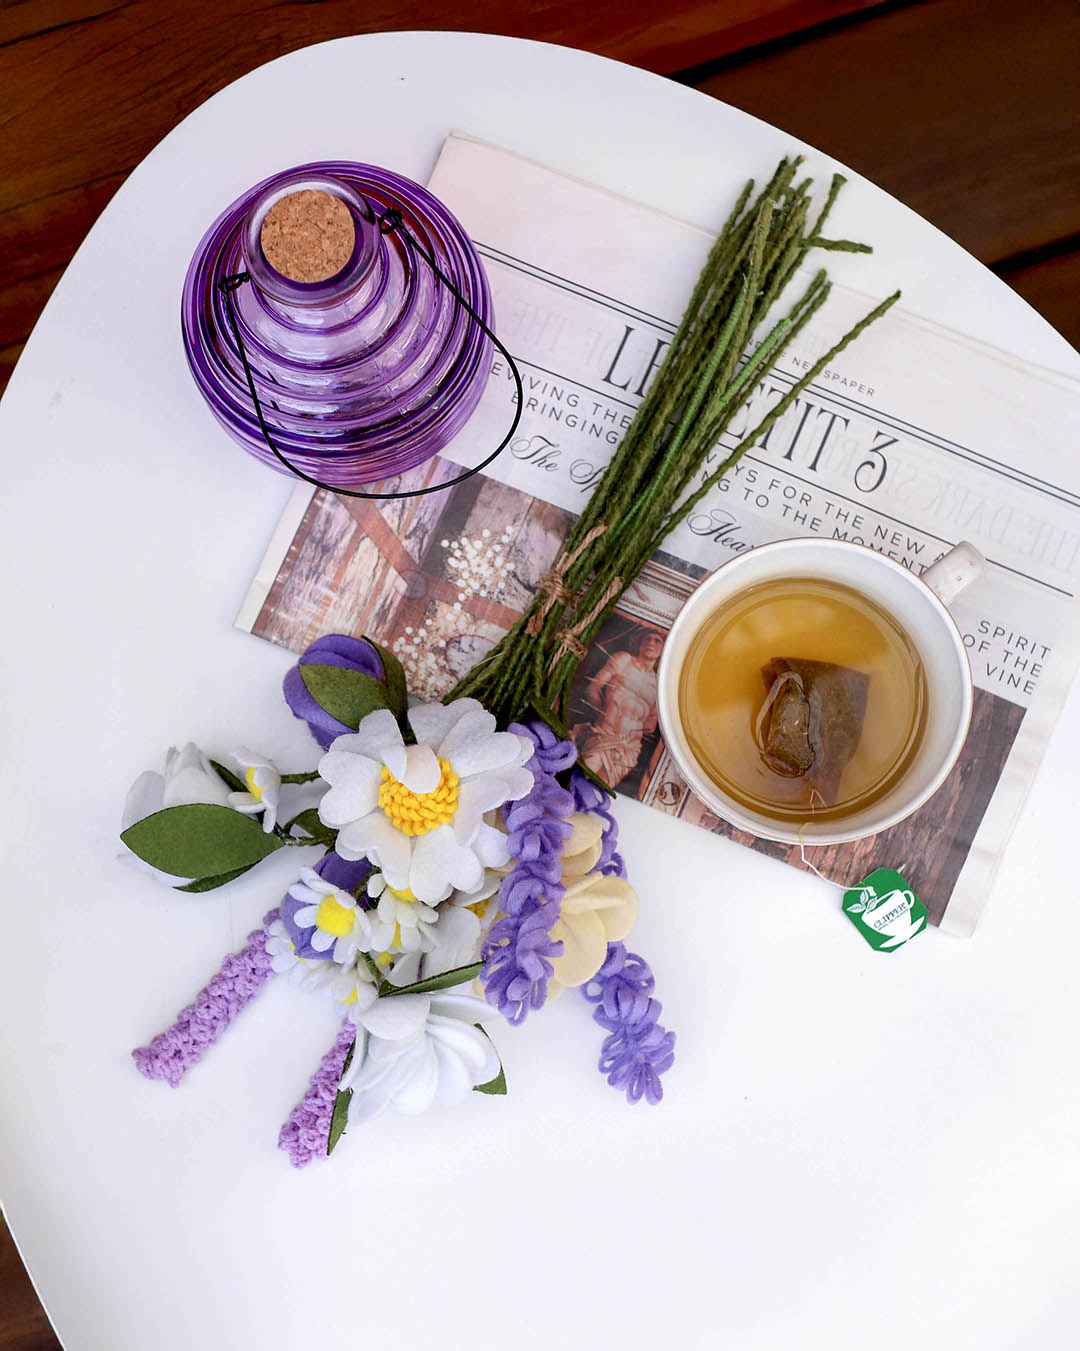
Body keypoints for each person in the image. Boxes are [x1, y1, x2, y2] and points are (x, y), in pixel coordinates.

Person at [579, 629, 664, 789]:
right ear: (639, 643)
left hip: (628, 748)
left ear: (663, 649)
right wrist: (603, 714)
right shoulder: (624, 659)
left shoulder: (660, 684)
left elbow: (651, 725)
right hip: (603, 735)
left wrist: (631, 731)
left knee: (600, 790)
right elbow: (593, 688)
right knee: (581, 778)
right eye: (647, 638)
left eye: (657, 640)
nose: (651, 643)